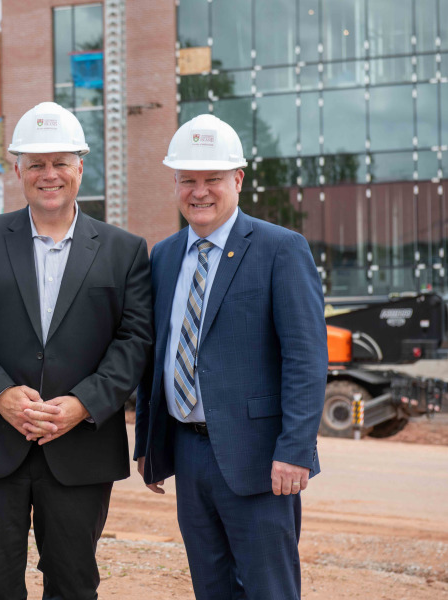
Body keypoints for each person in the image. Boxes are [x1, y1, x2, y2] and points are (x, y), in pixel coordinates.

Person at [0, 101, 153, 600]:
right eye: (36, 164)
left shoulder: (124, 250)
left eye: (60, 163)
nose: (48, 174)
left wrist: (84, 404)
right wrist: (0, 394)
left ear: (80, 166)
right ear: (17, 170)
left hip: (79, 446)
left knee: (75, 584)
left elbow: (135, 339)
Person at [134, 113, 328, 599]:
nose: (200, 191)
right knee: (210, 588)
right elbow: (156, 352)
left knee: (268, 590)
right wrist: (149, 444)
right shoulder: (164, 255)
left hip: (261, 459)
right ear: (175, 183)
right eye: (188, 180)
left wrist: (294, 450)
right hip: (189, 452)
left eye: (213, 179)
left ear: (238, 179)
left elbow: (306, 359)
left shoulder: (280, 249)